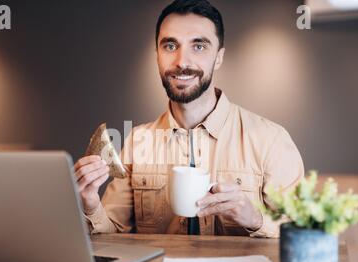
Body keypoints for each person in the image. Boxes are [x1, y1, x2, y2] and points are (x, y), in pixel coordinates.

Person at [74, 0, 304, 237]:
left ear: (219, 57)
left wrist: (256, 220)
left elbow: (305, 234)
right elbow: (114, 236)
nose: (182, 62)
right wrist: (90, 203)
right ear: (157, 55)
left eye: (199, 46)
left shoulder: (271, 140)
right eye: (170, 46)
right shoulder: (137, 141)